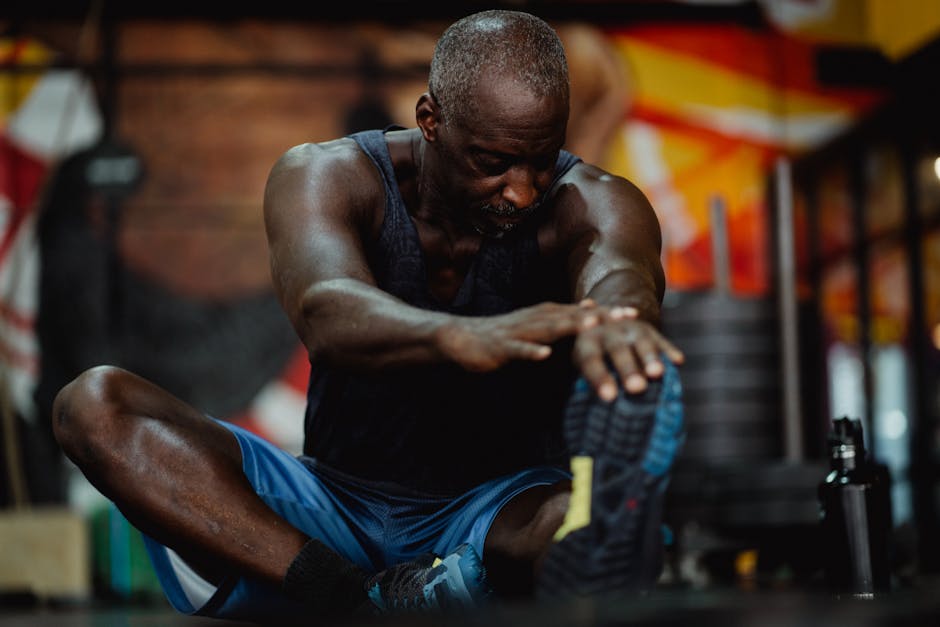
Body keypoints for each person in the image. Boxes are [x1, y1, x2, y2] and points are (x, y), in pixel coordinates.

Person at [51, 9, 685, 620]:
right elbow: (325, 311)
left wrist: (622, 318)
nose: (521, 190)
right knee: (94, 403)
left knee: (587, 526)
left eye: (540, 161)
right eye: (493, 163)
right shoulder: (326, 174)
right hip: (331, 510)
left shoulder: (593, 200)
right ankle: (358, 599)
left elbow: (620, 270)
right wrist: (460, 336)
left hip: (495, 518)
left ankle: (442, 587)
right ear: (430, 119)